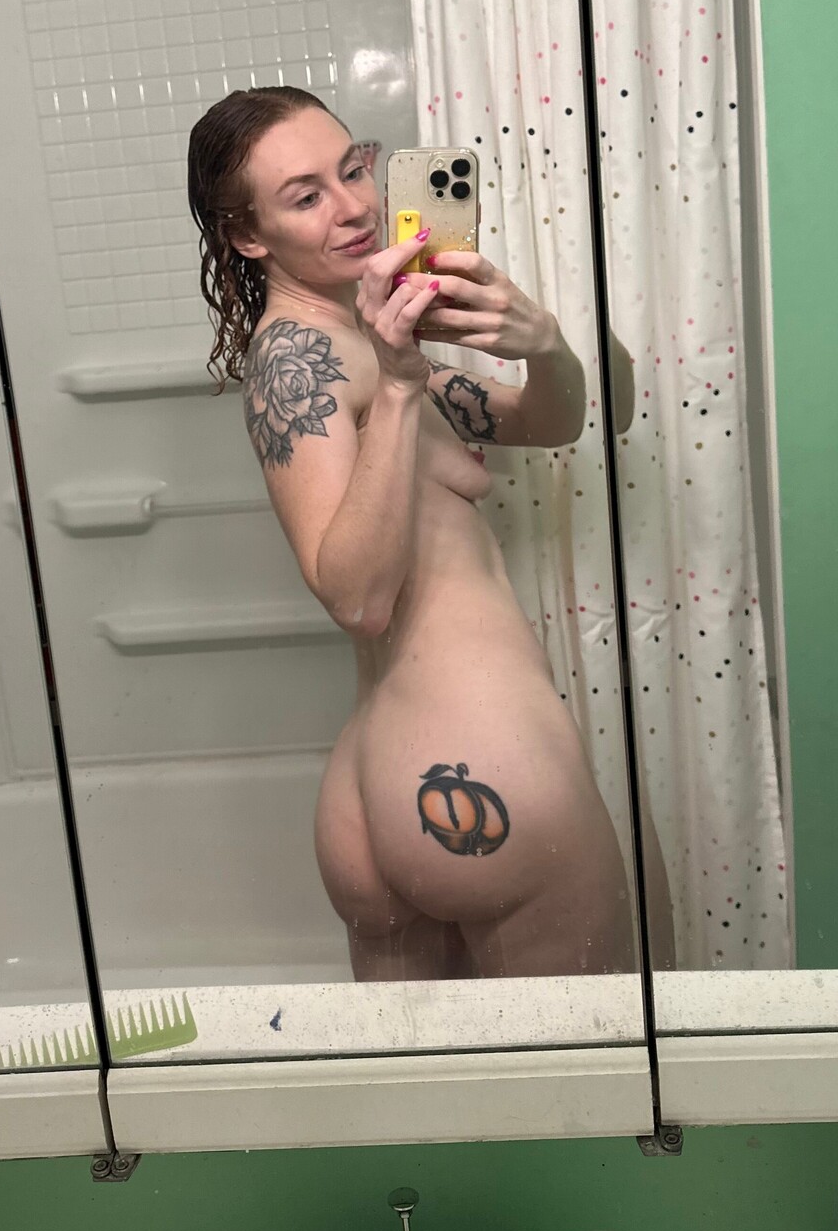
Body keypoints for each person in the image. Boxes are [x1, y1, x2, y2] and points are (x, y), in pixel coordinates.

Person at [187, 84, 675, 980]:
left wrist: (544, 342)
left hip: (385, 779)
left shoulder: (358, 340)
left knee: (439, 1080)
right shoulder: (296, 356)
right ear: (249, 235)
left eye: (352, 170)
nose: (353, 207)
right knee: (600, 1062)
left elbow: (563, 419)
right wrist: (405, 385)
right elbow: (357, 600)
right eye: (306, 196)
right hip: (482, 767)